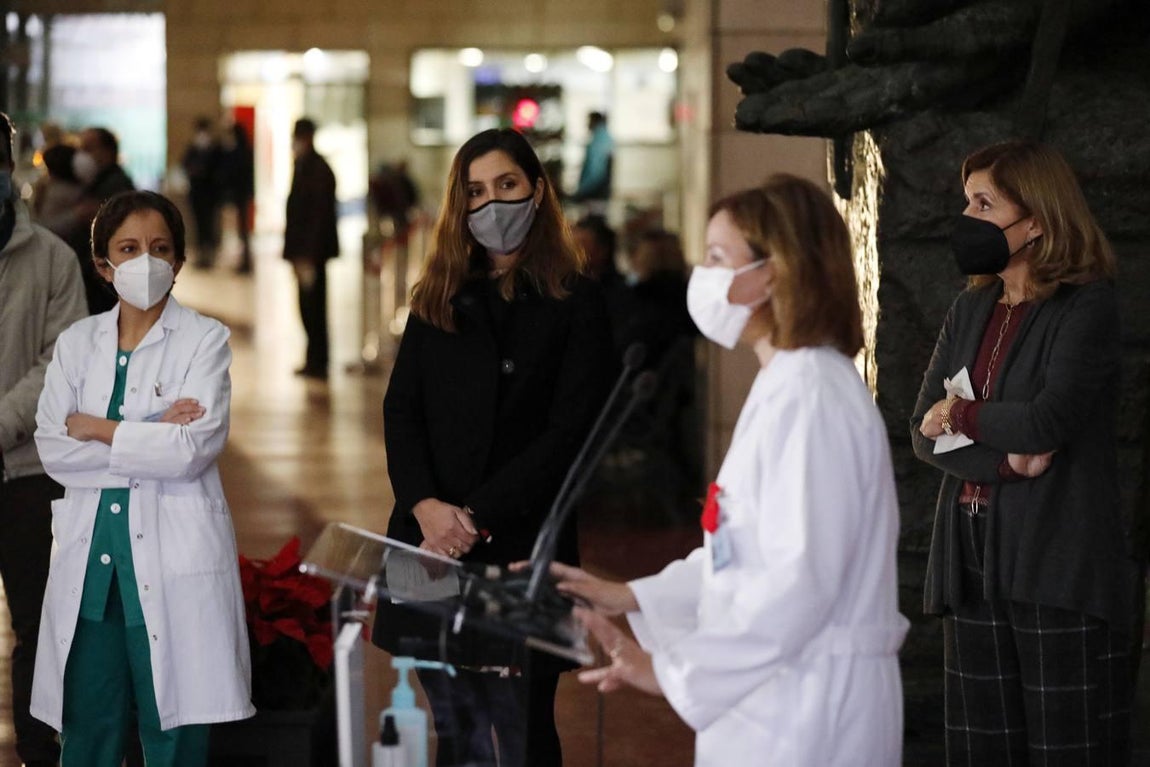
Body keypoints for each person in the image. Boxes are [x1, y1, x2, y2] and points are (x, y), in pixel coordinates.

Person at [548, 175, 908, 766]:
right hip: (778, 697)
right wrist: (629, 594)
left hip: (810, 705)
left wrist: (673, 672)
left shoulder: (812, 394)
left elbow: (797, 582)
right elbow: (740, 555)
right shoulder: (785, 381)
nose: (703, 276)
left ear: (774, 271)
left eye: (718, 257)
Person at [372, 127, 614, 766]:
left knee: (524, 726)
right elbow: (401, 410)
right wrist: (425, 505)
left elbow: (569, 433)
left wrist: (474, 518)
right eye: (476, 191)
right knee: (453, 723)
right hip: (426, 540)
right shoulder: (438, 294)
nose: (492, 203)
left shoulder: (575, 300)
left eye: (507, 185)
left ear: (537, 190)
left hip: (520, 541)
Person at [911, 140, 1132, 764]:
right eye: (967, 202)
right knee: (982, 747)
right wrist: (1004, 463)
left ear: (1035, 220)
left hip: (1056, 557)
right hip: (970, 551)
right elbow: (921, 434)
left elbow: (1045, 420)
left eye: (984, 204)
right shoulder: (971, 307)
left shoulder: (1086, 305)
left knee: (1067, 746)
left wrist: (959, 414)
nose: (967, 218)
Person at [32, 190, 255, 766]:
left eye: (160, 248)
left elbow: (191, 450)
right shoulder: (77, 344)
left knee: (175, 735)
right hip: (92, 571)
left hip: (174, 559)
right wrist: (152, 428)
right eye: (128, 249)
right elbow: (54, 449)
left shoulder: (205, 340)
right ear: (103, 265)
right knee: (87, 732)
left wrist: (98, 428)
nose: (146, 261)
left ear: (179, 261)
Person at [0, 111, 87, 767]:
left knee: (38, 621)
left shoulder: (52, 257)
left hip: (27, 470)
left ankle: (38, 749)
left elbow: (60, 357)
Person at [283, 117, 339, 379]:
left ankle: (318, 360)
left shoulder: (317, 169)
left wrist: (307, 254)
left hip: (311, 253)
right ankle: (313, 358)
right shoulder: (304, 165)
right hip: (304, 252)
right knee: (307, 307)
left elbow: (316, 217)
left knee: (314, 307)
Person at [181, 116, 222, 268]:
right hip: (196, 194)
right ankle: (201, 254)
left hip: (210, 194)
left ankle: (209, 254)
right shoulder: (193, 148)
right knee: (198, 225)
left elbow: (218, 170)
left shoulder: (214, 149)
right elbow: (184, 164)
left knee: (209, 225)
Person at [217, 121, 255, 274]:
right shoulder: (241, 151)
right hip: (241, 194)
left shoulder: (241, 153)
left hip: (241, 194)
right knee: (241, 230)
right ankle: (244, 260)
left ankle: (246, 261)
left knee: (243, 230)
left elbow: (238, 174)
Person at [569, 111, 613, 213]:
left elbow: (595, 170)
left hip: (595, 193)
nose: (587, 124)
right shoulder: (606, 138)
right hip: (601, 193)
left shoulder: (598, 140)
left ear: (594, 121)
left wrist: (582, 191)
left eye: (588, 121)